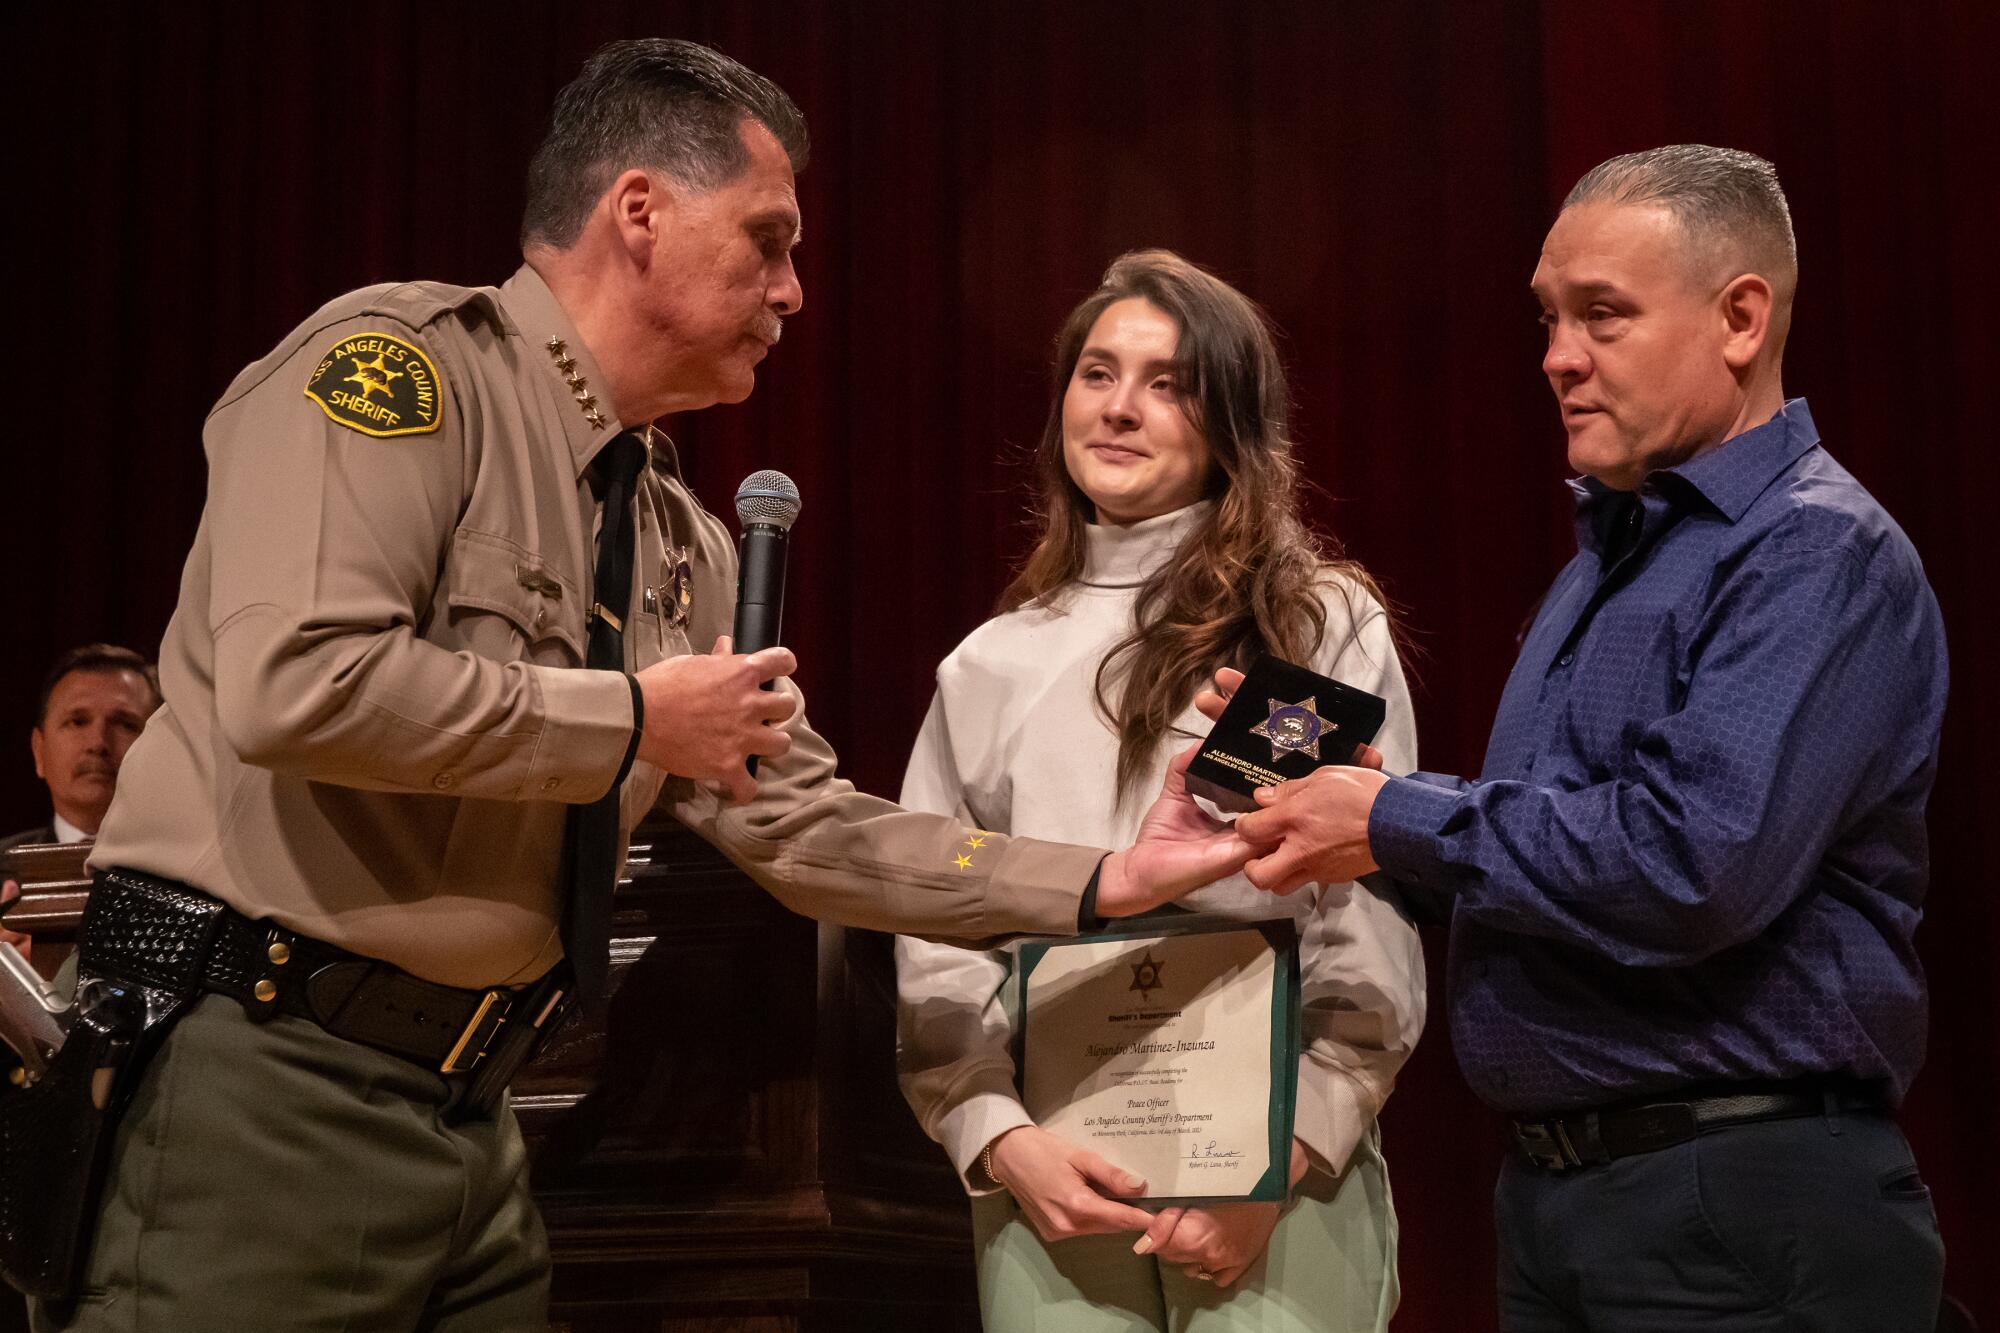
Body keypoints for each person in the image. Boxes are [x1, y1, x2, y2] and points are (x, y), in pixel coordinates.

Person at [23, 41, 1252, 1332]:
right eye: (768, 240)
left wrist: (1103, 881)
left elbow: (797, 817)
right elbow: (301, 684)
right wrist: (634, 722)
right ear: (641, 213)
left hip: (475, 1113)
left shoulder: (680, 538)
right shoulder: (401, 372)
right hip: (263, 1084)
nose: (793, 290)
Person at [1204, 146, 1948, 1330]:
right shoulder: (1609, 561)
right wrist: (1338, 809)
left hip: (1731, 1205)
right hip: (1566, 1200)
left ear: (1740, 318)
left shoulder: (1813, 552)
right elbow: (1549, 869)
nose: (1556, 356)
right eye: (1548, 317)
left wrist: (1390, 817)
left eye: (1601, 315)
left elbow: (1690, 863)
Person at [896, 251, 1424, 1331]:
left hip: (1278, 1183)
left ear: (1229, 420)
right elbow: (935, 931)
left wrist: (1284, 1155)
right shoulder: (988, 663)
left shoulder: (1311, 626)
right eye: (1097, 373)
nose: (1122, 408)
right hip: (1057, 1182)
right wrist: (997, 1136)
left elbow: (1367, 907)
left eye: (1169, 382)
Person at [0, 646, 161, 959]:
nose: (98, 743)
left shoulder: (194, 878)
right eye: (77, 721)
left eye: (125, 723)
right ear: (38, 751)